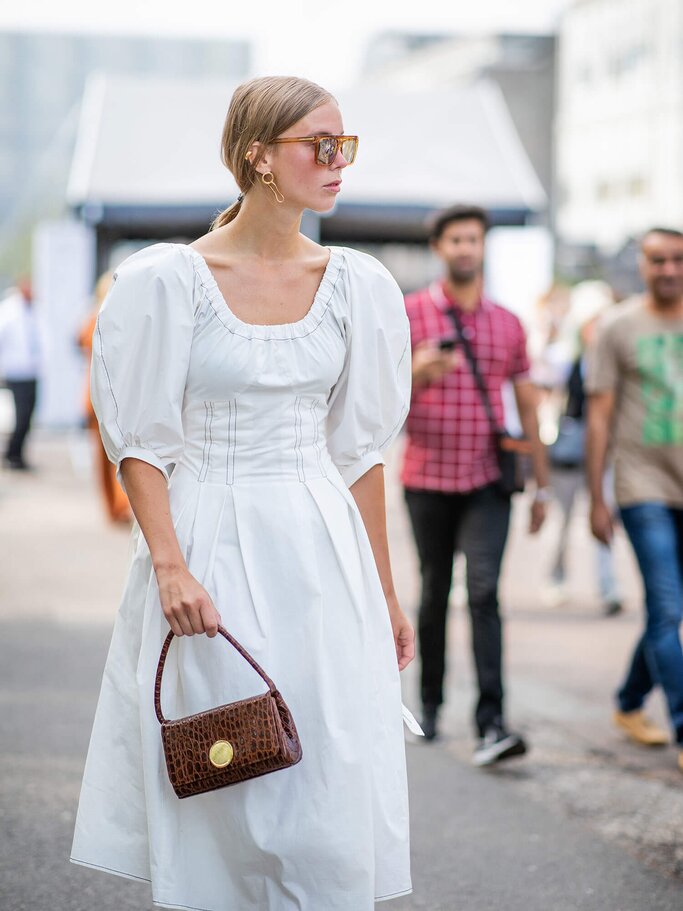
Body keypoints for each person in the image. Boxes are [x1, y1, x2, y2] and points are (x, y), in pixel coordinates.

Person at [70, 76, 415, 910]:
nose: (338, 162)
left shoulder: (358, 286)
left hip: (321, 549)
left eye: (345, 146)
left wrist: (386, 593)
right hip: (208, 539)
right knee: (227, 760)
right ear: (257, 155)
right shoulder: (167, 281)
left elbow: (360, 453)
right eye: (318, 145)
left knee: (323, 767)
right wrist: (169, 565)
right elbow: (141, 442)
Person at [401, 204, 550, 764]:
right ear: (439, 247)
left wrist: (541, 483)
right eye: (455, 239)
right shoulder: (410, 313)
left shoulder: (508, 322)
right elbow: (375, 394)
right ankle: (431, 706)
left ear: (483, 247)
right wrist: (415, 372)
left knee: (484, 592)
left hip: (489, 478)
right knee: (435, 590)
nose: (466, 248)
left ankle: (492, 722)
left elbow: (527, 403)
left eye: (474, 239)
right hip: (427, 477)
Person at [587, 226, 683, 773]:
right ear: (642, 266)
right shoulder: (618, 327)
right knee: (668, 609)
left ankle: (627, 701)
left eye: (677, 260)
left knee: (667, 613)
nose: (667, 269)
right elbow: (599, 415)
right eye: (657, 260)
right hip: (643, 486)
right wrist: (599, 500)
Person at [543, 281, 623, 616]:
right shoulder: (565, 358)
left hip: (606, 454)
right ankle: (555, 579)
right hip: (569, 453)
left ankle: (608, 586)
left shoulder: (617, 361)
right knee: (561, 521)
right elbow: (547, 399)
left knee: (604, 519)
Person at [77, 271, 132, 524]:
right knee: (112, 455)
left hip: (98, 395)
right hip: (109, 396)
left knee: (107, 456)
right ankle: (116, 507)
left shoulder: (94, 318)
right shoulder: (106, 318)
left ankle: (115, 507)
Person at [0, 278, 42, 470]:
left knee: (28, 416)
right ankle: (12, 454)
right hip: (16, 371)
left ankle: (17, 453)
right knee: (20, 416)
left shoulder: (33, 310)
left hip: (32, 370)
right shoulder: (9, 310)